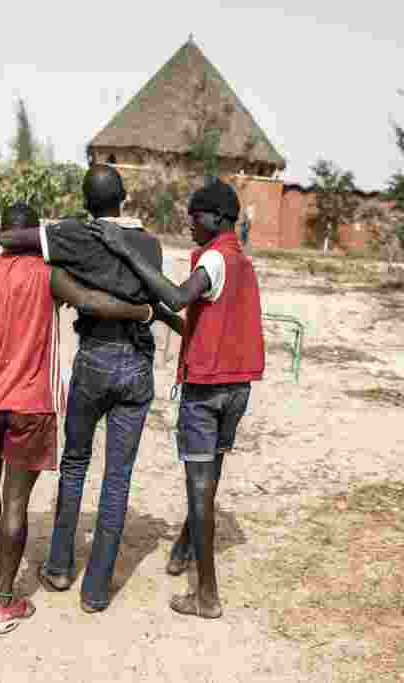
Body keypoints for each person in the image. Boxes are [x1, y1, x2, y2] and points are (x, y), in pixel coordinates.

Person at [0, 202, 156, 633]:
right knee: (17, 500)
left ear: (3, 234)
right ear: (35, 236)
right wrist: (143, 312)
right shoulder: (50, 275)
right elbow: (92, 301)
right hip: (31, 405)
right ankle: (4, 600)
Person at [87, 179, 265, 619]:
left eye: (196, 215)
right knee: (210, 476)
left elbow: (177, 296)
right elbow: (205, 317)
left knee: (199, 487)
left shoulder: (215, 259)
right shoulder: (241, 261)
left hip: (206, 392)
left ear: (219, 219)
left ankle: (205, 596)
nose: (189, 222)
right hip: (237, 387)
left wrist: (124, 251)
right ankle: (185, 545)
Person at [0, 164, 166, 613]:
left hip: (94, 356)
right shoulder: (151, 243)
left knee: (74, 463)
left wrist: (65, 242)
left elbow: (11, 239)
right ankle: (95, 591)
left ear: (88, 202)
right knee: (118, 477)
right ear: (124, 197)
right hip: (137, 361)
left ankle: (57, 567)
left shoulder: (79, 235)